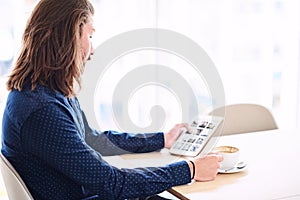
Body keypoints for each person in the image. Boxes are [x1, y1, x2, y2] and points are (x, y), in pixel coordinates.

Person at [1, 0, 222, 199]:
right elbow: (111, 183)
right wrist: (190, 169)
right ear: (67, 37)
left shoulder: (47, 91)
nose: (92, 50)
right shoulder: (42, 109)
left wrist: (161, 139)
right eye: (89, 36)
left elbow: (93, 140)